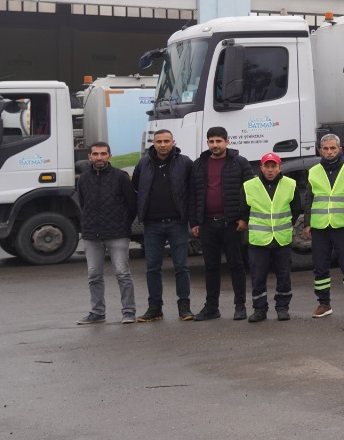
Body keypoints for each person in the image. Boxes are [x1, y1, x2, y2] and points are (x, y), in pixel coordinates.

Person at [188, 126, 252, 321]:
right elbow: (193, 194)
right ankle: (211, 308)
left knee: (236, 265)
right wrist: (195, 222)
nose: (215, 145)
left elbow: (250, 192)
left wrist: (244, 218)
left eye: (219, 141)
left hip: (231, 223)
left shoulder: (239, 162)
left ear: (227, 141)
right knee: (211, 267)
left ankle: (240, 306)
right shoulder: (199, 164)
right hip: (207, 224)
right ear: (207, 143)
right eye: (211, 141)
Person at [132, 128, 193, 321]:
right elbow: (136, 187)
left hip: (177, 223)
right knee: (152, 268)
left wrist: (192, 219)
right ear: (153, 143)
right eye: (159, 141)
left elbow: (193, 189)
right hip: (152, 225)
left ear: (173, 142)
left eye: (167, 141)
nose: (163, 145)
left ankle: (184, 307)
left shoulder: (185, 163)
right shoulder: (143, 163)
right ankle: (155, 308)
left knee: (181, 267)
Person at [74, 141, 137, 325]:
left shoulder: (120, 177)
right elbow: (83, 204)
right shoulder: (83, 178)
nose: (99, 157)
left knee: (123, 274)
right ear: (89, 157)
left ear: (110, 156)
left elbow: (131, 204)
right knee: (94, 276)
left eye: (103, 153)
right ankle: (97, 313)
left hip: (117, 234)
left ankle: (129, 312)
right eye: (95, 154)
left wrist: (122, 224)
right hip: (91, 235)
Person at [307, 133, 344, 318]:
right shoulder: (313, 171)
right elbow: (309, 199)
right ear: (320, 150)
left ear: (340, 149)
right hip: (320, 226)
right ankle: (324, 304)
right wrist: (307, 224)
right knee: (320, 267)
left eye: (333, 148)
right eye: (326, 149)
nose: (329, 152)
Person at [243, 153, 302, 322]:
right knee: (258, 276)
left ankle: (282, 308)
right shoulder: (249, 186)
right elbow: (244, 211)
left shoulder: (290, 184)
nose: (270, 170)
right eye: (267, 166)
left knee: (283, 276)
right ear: (261, 168)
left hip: (281, 239)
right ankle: (259, 309)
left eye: (273, 166)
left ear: (280, 168)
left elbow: (296, 209)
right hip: (258, 240)